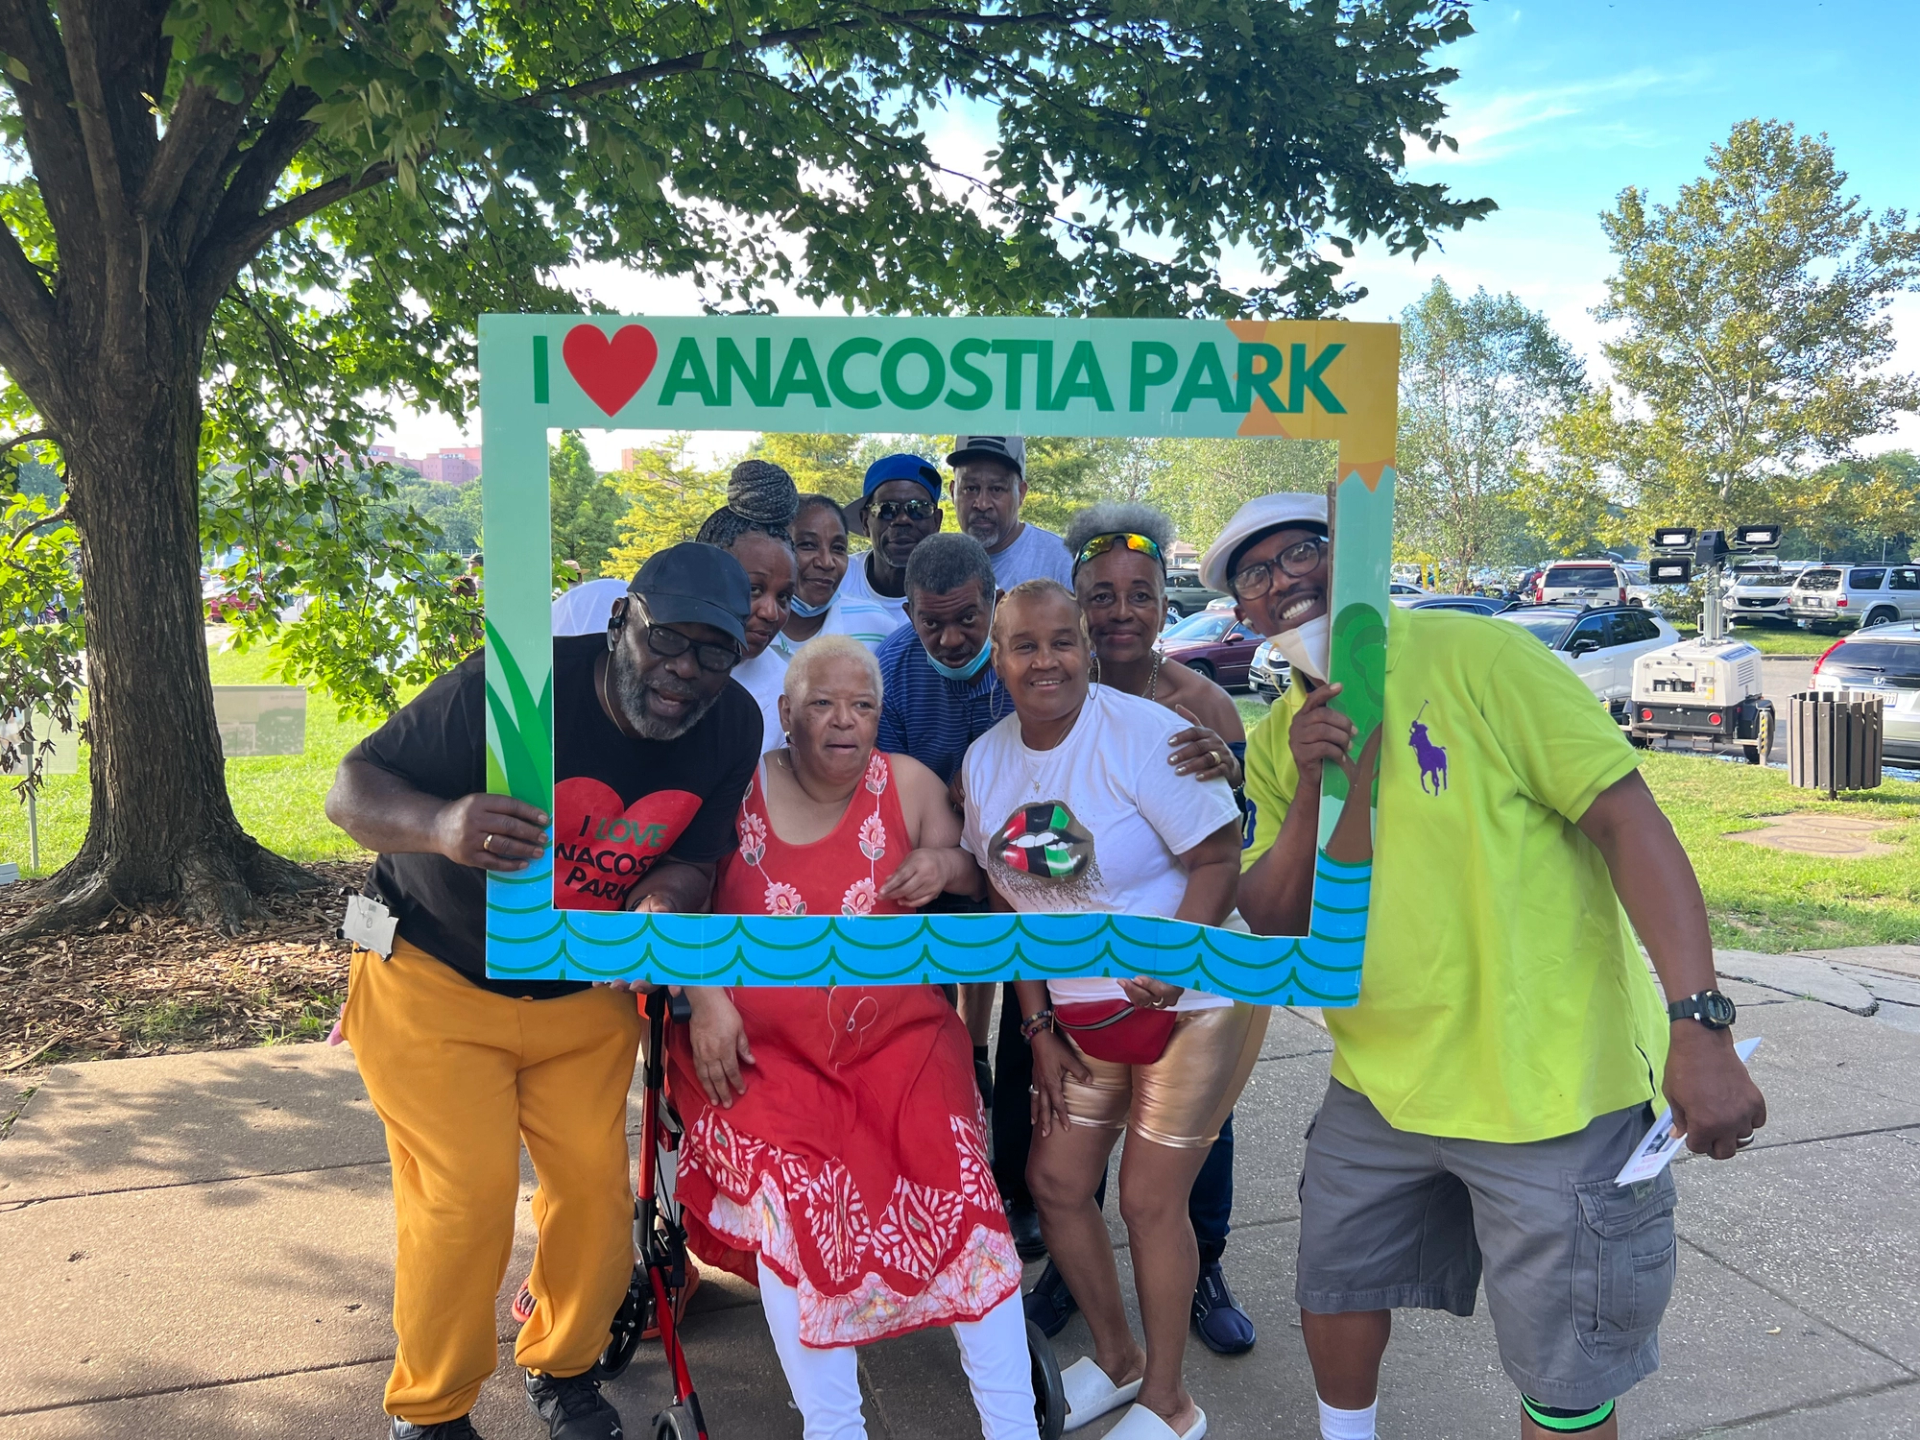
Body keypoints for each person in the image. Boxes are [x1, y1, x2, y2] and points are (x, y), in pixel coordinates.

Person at [1218, 494, 1769, 1440]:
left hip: (1550, 1088)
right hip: (1380, 1082)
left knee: (1566, 1368)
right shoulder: (1276, 740)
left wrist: (1699, 1022)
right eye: (1255, 575)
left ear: (1352, 556)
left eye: (1304, 551)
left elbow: (1628, 823)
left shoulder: (1480, 658)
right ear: (1246, 617)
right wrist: (1311, 784)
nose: (1285, 580)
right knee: (1335, 1284)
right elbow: (1272, 920)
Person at [325, 543, 763, 1440]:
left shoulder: (734, 726)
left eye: (712, 652)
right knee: (467, 1198)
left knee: (600, 1205)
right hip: (435, 976)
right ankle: (433, 1409)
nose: (685, 671)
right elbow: (350, 789)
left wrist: (663, 899)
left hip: (584, 999)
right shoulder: (516, 686)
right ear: (619, 624)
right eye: (668, 640)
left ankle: (563, 1371)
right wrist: (442, 823)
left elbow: (695, 859)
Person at [666, 636, 1038, 1440]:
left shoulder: (905, 784)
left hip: (899, 1041)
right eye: (824, 704)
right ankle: (833, 1428)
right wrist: (706, 1001)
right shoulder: (739, 788)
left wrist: (941, 866)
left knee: (963, 1184)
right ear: (786, 714)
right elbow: (678, 903)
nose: (846, 722)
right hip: (759, 1051)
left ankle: (1012, 1426)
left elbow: (978, 870)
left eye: (863, 705)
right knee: (796, 1198)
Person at [965, 580, 1264, 1440]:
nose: (1045, 660)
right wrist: (1036, 1024)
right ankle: (1119, 1358)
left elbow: (1218, 857)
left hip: (1198, 998)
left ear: (1088, 648)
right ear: (999, 656)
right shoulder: (985, 761)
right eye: (1025, 645)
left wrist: (1172, 966)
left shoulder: (1148, 737)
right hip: (1082, 1014)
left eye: (1063, 641)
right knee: (1056, 1184)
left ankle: (1172, 1402)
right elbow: (1007, 905)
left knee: (1147, 1200)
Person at [1011, 501, 1255, 1359]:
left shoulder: (1199, 703)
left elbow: (1234, 846)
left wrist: (1231, 770)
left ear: (1164, 604)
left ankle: (1207, 1264)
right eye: (1103, 596)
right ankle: (1073, 1278)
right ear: (1075, 606)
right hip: (1075, 973)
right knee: (1074, 1143)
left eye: (1141, 594)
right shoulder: (1042, 694)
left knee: (1191, 1142)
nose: (1122, 612)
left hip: (1183, 973)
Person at [695, 460, 801, 748]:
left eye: (784, 597)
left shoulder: (785, 690)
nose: (770, 612)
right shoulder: (649, 655)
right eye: (753, 589)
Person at [836, 452, 945, 638]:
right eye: (887, 509)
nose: (902, 520)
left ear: (936, 522)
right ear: (865, 522)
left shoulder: (963, 583)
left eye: (918, 509)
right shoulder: (836, 580)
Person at [947, 435, 1073, 592]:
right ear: (952, 492)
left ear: (1021, 493)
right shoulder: (940, 565)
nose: (982, 504)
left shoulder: (1061, 562)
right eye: (971, 488)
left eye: (997, 489)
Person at [779, 492, 900, 651]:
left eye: (838, 548)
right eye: (808, 545)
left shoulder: (879, 626)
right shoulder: (748, 629)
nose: (827, 563)